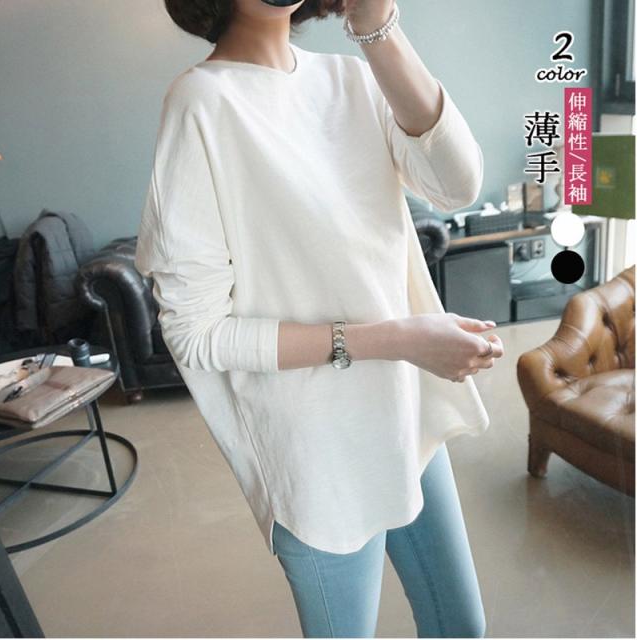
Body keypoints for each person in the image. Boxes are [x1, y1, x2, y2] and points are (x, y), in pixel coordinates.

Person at [135, 0, 505, 636]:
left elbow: (457, 184)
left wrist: (376, 23)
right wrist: (400, 339)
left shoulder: (352, 77)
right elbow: (199, 333)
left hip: (404, 417)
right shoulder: (202, 102)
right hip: (316, 452)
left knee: (461, 628)